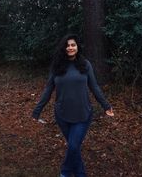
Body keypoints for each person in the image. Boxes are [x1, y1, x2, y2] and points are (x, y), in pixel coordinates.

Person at [32, 34, 114, 177]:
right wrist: (37, 110)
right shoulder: (56, 67)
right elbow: (48, 89)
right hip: (62, 115)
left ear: (77, 47)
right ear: (63, 48)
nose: (70, 47)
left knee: (74, 146)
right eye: (67, 45)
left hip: (83, 114)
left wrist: (106, 105)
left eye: (73, 45)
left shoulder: (85, 64)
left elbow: (94, 87)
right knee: (73, 148)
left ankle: (65, 172)